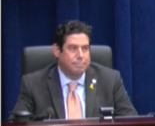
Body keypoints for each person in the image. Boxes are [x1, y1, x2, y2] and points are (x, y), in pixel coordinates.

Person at [10, 20, 138, 119]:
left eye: (85, 48)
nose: (80, 55)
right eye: (73, 48)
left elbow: (132, 123)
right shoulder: (33, 84)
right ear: (57, 50)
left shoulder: (110, 80)